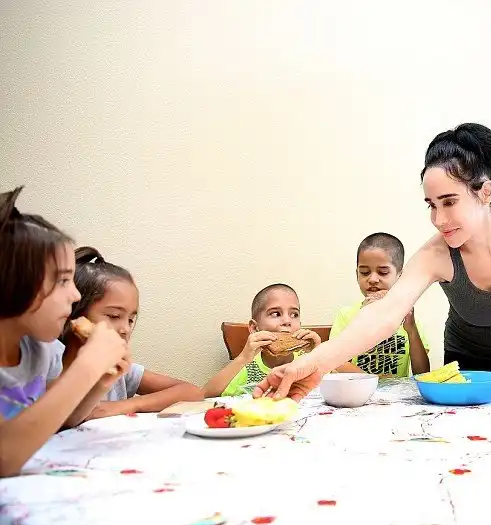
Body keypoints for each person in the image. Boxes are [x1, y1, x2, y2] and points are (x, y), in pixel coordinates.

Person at [254, 123, 491, 400]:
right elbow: (385, 313)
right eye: (431, 205)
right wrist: (313, 364)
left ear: (485, 192)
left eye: (449, 202)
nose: (438, 219)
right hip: (468, 357)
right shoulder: (436, 255)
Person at [0, 186, 128, 477]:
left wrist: (99, 382)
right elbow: (5, 457)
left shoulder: (38, 350)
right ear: (12, 283)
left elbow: (63, 420)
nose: (75, 295)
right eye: (62, 281)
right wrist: (88, 365)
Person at [60, 247, 204, 419]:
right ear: (73, 313)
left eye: (130, 320)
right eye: (114, 316)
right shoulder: (49, 366)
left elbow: (193, 392)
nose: (125, 329)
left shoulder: (120, 370)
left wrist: (126, 405)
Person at [330, 233, 430, 376]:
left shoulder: (409, 317)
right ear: (357, 274)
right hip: (359, 389)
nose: (373, 279)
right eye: (364, 272)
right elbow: (338, 363)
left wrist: (412, 330)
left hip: (397, 390)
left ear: (400, 277)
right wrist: (362, 320)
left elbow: (423, 372)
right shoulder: (346, 315)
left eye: (383, 272)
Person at [203, 284, 322, 397]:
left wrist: (318, 354)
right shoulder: (248, 365)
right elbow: (205, 394)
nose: (287, 321)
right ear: (255, 328)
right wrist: (243, 358)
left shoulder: (306, 360)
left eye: (294, 314)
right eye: (276, 314)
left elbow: (329, 389)